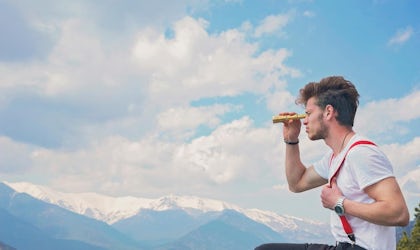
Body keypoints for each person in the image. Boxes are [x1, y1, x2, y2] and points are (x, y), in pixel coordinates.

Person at [255, 76, 409, 250]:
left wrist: (339, 203)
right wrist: (291, 140)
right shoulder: (334, 157)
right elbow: (296, 183)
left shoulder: (361, 153)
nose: (304, 121)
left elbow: (399, 213)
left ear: (328, 112)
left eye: (308, 113)